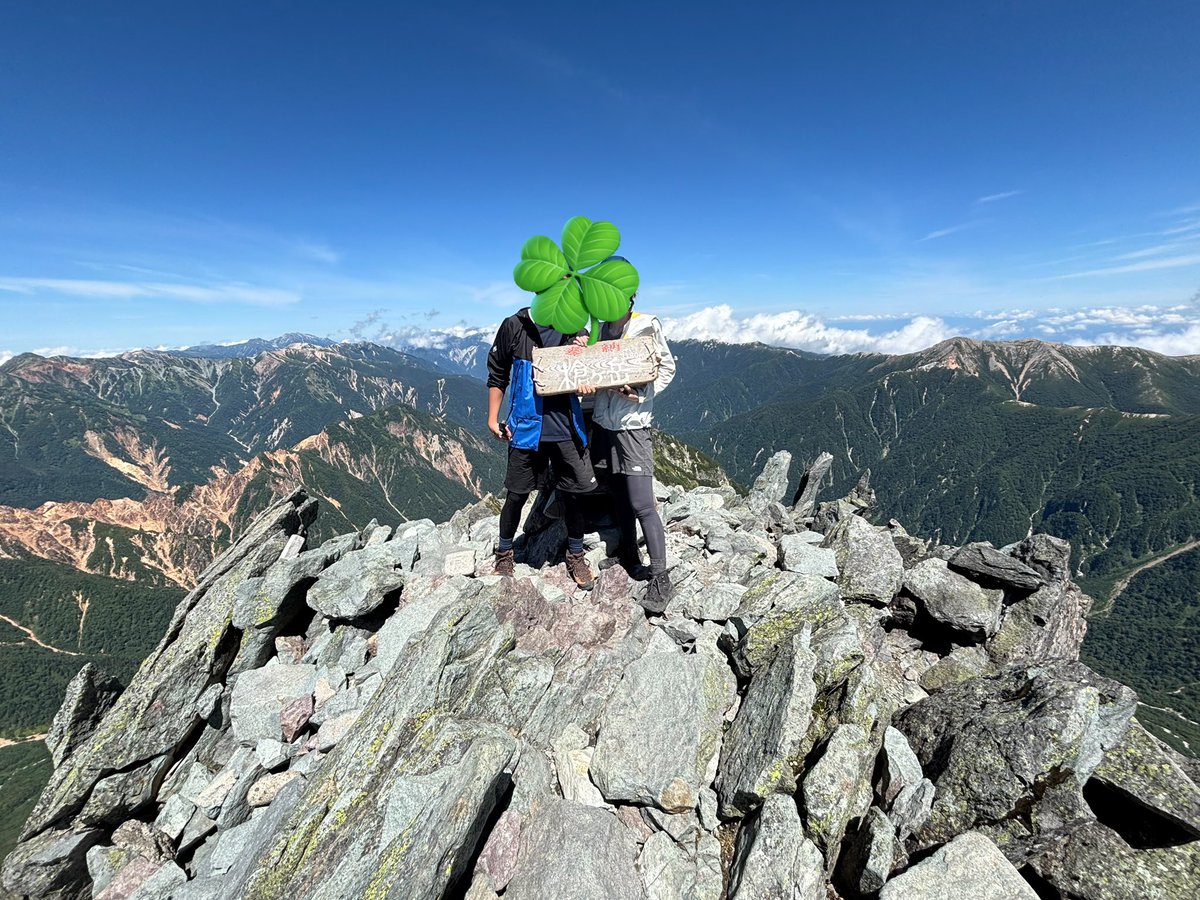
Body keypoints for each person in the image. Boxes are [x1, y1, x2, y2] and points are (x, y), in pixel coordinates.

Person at [486, 307, 597, 589]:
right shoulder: (514, 325)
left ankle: (575, 554)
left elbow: (593, 368)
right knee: (516, 494)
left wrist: (586, 352)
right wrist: (492, 417)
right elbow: (498, 371)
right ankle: (504, 554)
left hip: (565, 427)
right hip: (526, 427)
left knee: (573, 495)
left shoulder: (573, 327)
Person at [585, 293, 676, 613]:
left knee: (642, 502)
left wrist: (640, 394)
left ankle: (660, 575)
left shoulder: (645, 326)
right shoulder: (600, 328)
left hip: (632, 425)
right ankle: (629, 555)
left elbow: (666, 367)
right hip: (604, 422)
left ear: (630, 297)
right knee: (617, 493)